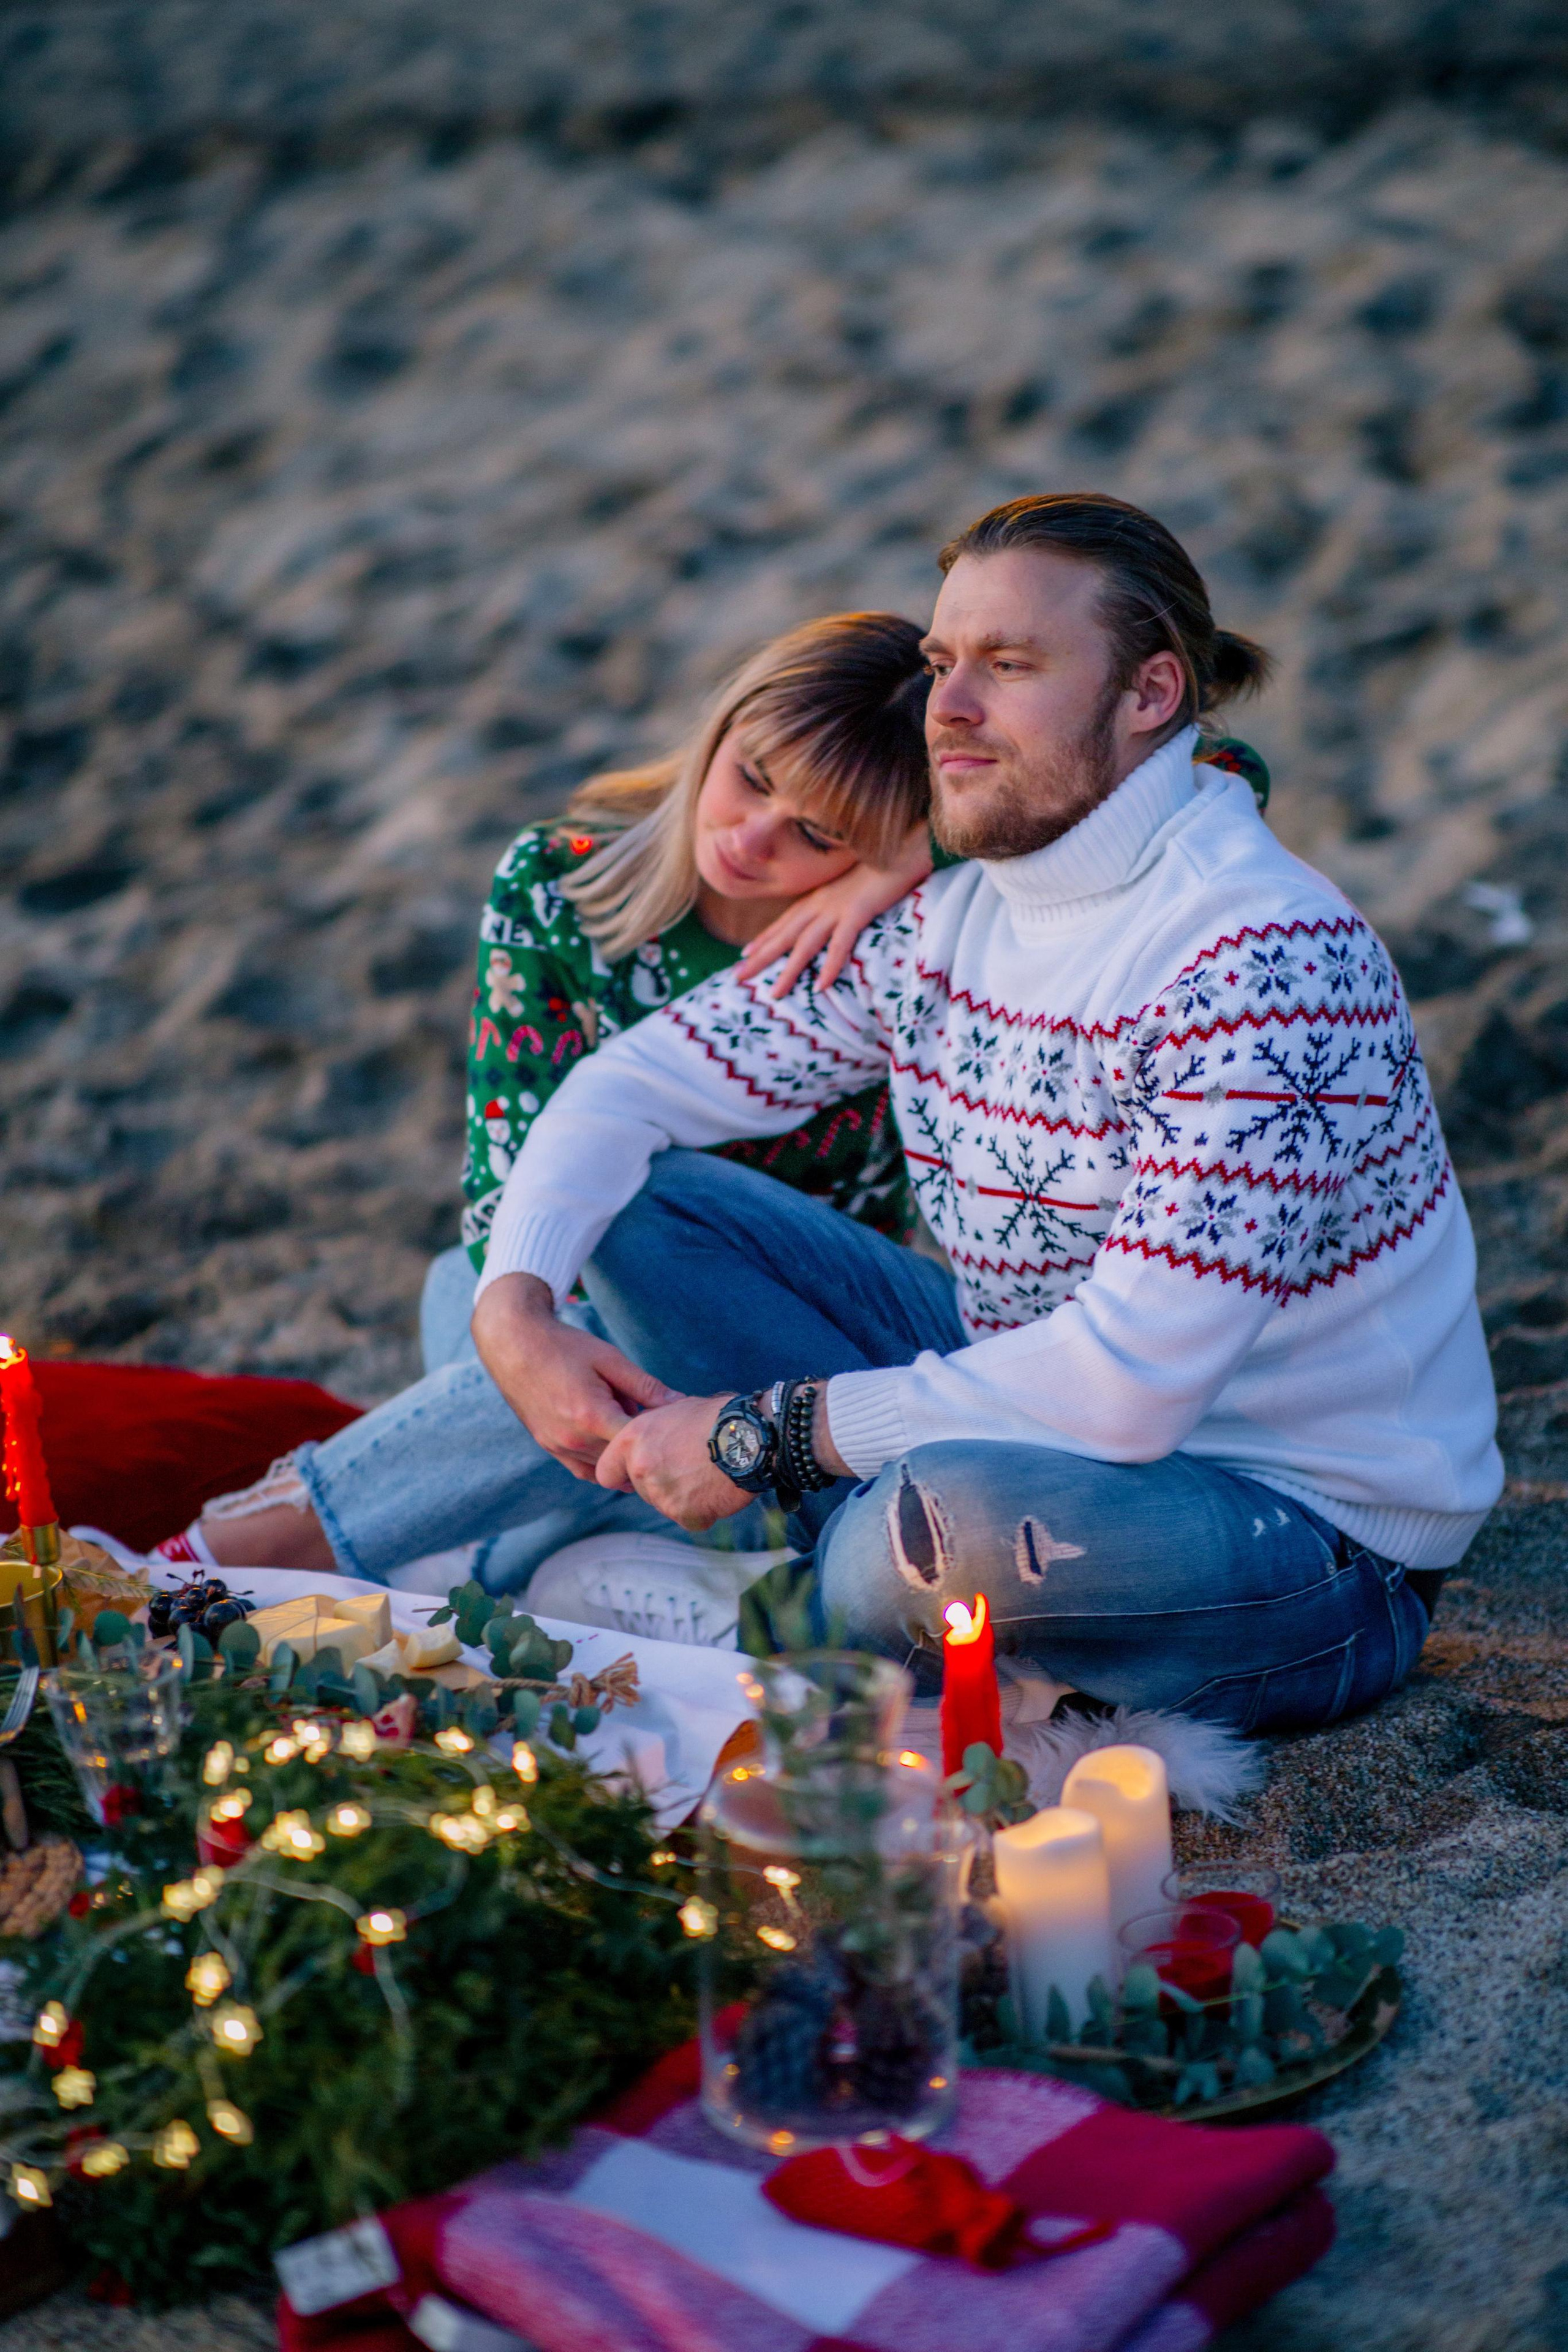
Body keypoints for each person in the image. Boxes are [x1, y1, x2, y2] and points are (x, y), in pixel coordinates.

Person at [470, 491, 1503, 1733]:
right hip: (1011, 1406)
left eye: (1007, 667)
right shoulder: (943, 912)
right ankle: (878, 1611)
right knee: (644, 1206)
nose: (945, 710)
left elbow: (1126, 1386)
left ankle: (796, 1616)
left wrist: (759, 1438)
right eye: (939, 663)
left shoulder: (1257, 960)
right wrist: (512, 1304)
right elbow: (626, 1085)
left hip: (1296, 1531)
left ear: (1147, 696)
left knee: (926, 1533)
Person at [158, 612, 944, 1619]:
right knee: (473, 1291)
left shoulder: (904, 928)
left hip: (777, 1363)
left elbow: (1201, 766)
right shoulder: (560, 884)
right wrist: (532, 1334)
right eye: (750, 778)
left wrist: (911, 862)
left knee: (625, 1220)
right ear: (720, 731)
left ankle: (315, 1539)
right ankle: (578, 1562)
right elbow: (505, 1185)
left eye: (820, 836)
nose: (750, 839)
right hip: (610, 1359)